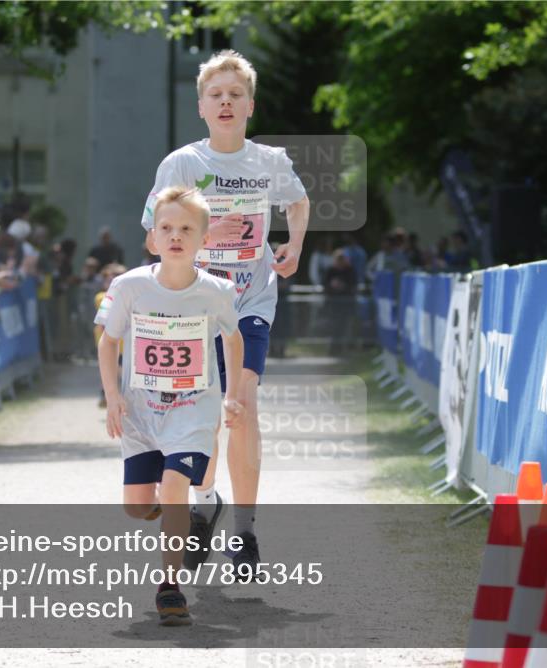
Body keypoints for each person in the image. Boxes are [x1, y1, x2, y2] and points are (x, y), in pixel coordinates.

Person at [140, 50, 309, 574]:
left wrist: (294, 245)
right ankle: (205, 500)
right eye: (216, 95)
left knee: (243, 406)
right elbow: (151, 237)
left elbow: (297, 202)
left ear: (250, 105)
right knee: (203, 418)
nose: (226, 102)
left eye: (236, 94)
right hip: (194, 307)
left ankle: (246, 531)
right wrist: (194, 237)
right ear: (201, 107)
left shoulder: (269, 161)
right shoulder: (183, 164)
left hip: (250, 302)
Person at [97, 186, 244, 625]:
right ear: (152, 239)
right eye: (166, 228)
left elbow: (233, 341)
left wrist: (232, 394)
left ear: (203, 240)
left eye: (185, 228)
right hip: (142, 412)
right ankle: (174, 516)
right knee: (138, 507)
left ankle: (170, 587)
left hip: (193, 407)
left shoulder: (217, 290)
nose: (175, 235)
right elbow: (109, 342)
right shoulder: (129, 286)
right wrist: (112, 397)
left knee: (175, 484)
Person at [93, 262, 127, 405]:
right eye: (108, 280)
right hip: (109, 341)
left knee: (122, 370)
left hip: (125, 344)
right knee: (109, 368)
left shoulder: (129, 297)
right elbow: (103, 321)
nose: (111, 283)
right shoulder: (102, 297)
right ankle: (106, 394)